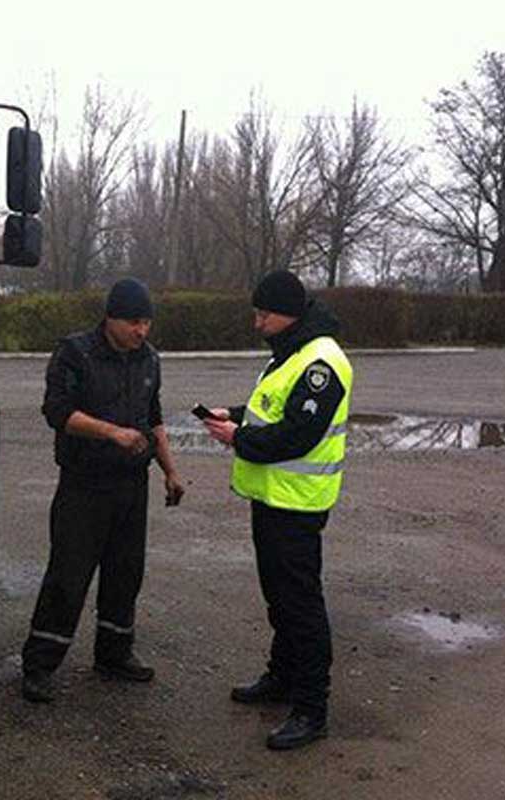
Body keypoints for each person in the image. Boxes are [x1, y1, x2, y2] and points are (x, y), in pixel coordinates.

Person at [200, 269, 352, 751]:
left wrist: (238, 438)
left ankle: (312, 708)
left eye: (263, 314)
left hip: (297, 504)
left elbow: (298, 434)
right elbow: (276, 410)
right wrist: (236, 415)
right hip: (273, 498)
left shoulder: (322, 362)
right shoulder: (291, 352)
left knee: (301, 605)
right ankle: (282, 678)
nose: (257, 322)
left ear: (287, 313)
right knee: (280, 599)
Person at [20, 277, 185, 703]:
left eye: (147, 322)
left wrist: (170, 470)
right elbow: (56, 412)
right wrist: (110, 432)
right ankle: (39, 665)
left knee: (125, 573)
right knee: (68, 576)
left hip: (132, 485)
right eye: (134, 322)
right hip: (84, 485)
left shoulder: (149, 359)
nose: (142, 331)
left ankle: (114, 653)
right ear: (110, 318)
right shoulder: (75, 352)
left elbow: (155, 417)